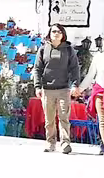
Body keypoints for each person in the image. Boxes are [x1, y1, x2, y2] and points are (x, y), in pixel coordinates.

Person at [35, 25, 81, 154]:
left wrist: (75, 84)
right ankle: (50, 143)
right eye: (54, 31)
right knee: (49, 119)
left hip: (63, 89)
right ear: (49, 34)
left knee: (63, 117)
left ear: (63, 35)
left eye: (59, 32)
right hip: (47, 89)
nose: (56, 33)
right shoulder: (43, 49)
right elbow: (37, 69)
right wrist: (37, 86)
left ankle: (65, 143)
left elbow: (74, 68)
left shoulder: (68, 50)